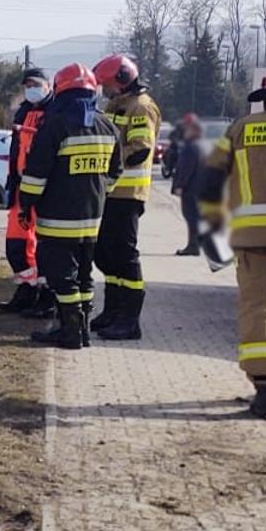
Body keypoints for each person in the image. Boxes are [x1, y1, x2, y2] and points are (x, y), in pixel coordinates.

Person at [17, 63, 121, 350]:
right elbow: (116, 170)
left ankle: (70, 332)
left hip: (57, 219)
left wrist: (26, 205)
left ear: (60, 91)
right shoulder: (107, 125)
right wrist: (99, 192)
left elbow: (36, 175)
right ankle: (83, 330)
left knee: (62, 278)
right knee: (85, 275)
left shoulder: (55, 125)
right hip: (92, 219)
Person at [195, 78, 266, 418]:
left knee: (257, 310)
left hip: (252, 240)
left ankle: (265, 390)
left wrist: (213, 232)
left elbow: (210, 181)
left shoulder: (240, 129)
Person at [89, 54, 161, 341]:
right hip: (109, 191)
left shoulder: (141, 107)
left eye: (106, 84)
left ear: (122, 80)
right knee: (106, 254)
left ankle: (130, 320)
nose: (104, 89)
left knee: (124, 254)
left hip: (128, 193)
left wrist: (109, 164)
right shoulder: (114, 104)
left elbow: (141, 149)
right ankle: (113, 312)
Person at [0, 68, 55, 316]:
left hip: (45, 190)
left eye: (35, 84)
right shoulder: (24, 111)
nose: (30, 88)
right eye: (27, 85)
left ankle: (45, 296)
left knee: (43, 248)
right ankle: (25, 290)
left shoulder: (55, 112)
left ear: (47, 85)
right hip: (21, 186)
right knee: (16, 245)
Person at [171, 114, 206, 256]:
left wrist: (179, 185)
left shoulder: (191, 147)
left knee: (191, 217)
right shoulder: (200, 145)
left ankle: (193, 246)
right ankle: (195, 245)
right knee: (195, 217)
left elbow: (186, 169)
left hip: (190, 188)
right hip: (199, 187)